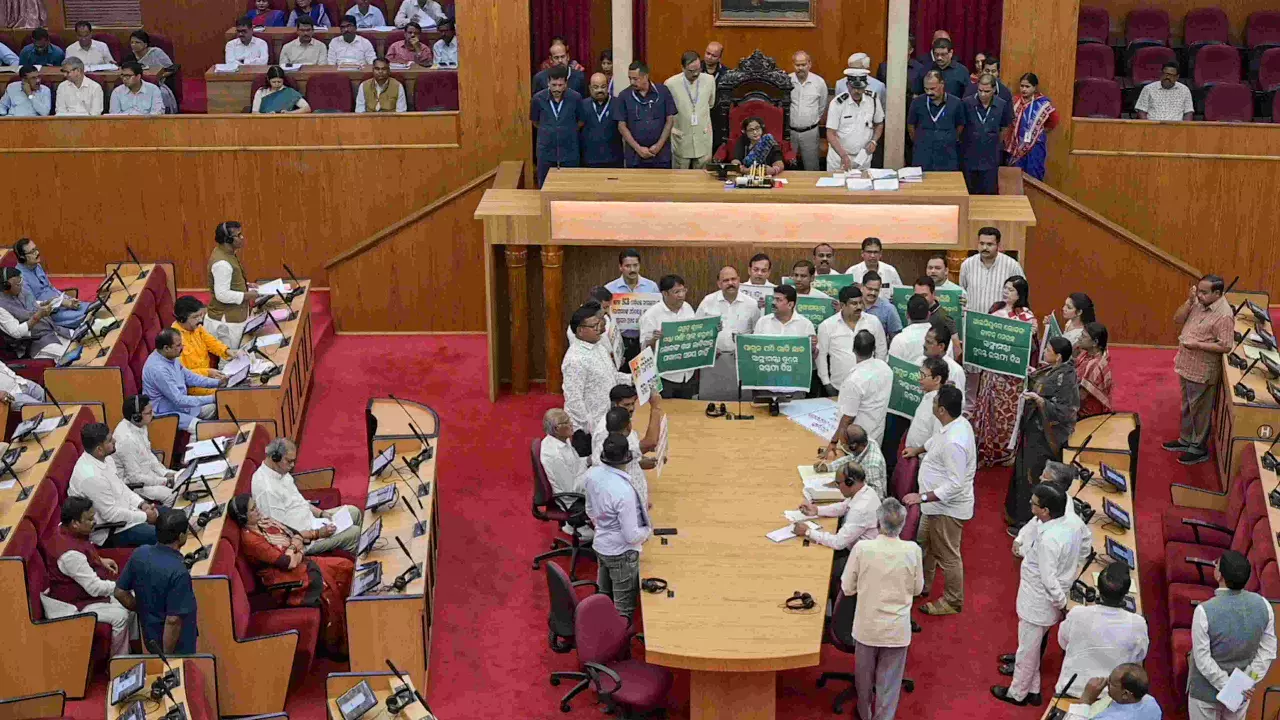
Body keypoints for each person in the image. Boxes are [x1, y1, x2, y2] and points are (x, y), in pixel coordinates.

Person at [993, 484, 1088, 707]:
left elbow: (1048, 579)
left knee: (1026, 651)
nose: (1030, 504)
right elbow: (1085, 548)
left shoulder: (1049, 540)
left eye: (1034, 503)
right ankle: (1034, 690)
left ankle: (1017, 694)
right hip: (1047, 602)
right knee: (1033, 648)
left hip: (1037, 603)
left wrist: (1062, 604)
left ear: (1045, 511)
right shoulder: (1072, 523)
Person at [226, 494, 354, 654]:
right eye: (253, 509)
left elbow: (296, 535)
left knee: (346, 566)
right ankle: (338, 642)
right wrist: (297, 547)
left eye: (255, 505)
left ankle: (353, 619)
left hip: (301, 562)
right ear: (244, 517)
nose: (257, 510)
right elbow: (288, 562)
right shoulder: (251, 541)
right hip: (285, 578)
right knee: (330, 590)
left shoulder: (264, 521)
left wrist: (319, 533)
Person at [841, 498, 923, 720]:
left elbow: (847, 588)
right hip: (897, 631)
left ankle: (864, 713)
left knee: (863, 680)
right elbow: (917, 589)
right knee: (889, 684)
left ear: (878, 522)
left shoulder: (862, 548)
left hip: (867, 629)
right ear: (903, 524)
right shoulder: (913, 550)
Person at [902, 385, 974, 616]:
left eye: (934, 403)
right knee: (925, 543)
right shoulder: (953, 425)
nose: (931, 405)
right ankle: (923, 585)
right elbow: (935, 441)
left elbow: (955, 484)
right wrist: (917, 450)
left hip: (946, 508)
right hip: (934, 505)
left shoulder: (955, 442)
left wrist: (921, 497)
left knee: (948, 556)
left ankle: (953, 601)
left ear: (941, 410)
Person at [1189, 550, 1277, 719]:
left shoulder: (1203, 611)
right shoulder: (1264, 605)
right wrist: (1245, 681)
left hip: (1205, 693)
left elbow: (1202, 659)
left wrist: (1227, 685)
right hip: (1242, 691)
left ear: (1219, 575)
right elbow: (1267, 652)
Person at [41, 496, 135, 656]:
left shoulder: (64, 529)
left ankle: (133, 648)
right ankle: (119, 661)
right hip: (74, 604)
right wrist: (123, 585)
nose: (95, 521)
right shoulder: (70, 555)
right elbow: (94, 588)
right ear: (75, 523)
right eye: (90, 519)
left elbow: (83, 553)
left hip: (83, 592)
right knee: (121, 615)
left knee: (130, 600)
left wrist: (100, 560)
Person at [1007, 336, 1079, 530]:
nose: (1044, 352)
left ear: (1058, 356)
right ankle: (1015, 513)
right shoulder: (1054, 369)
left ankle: (1027, 522)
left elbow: (1065, 411)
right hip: (1033, 430)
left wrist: (1039, 401)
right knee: (1022, 473)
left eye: (1048, 350)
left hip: (1045, 437)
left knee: (1032, 476)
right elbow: (1040, 381)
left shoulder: (1066, 378)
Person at [1165, 274, 1234, 466]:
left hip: (1202, 369)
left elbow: (1226, 346)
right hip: (1186, 364)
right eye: (1199, 290)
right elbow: (1177, 319)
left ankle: (1198, 448)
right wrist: (1189, 301)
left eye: (1204, 292)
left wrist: (1197, 345)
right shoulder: (1197, 303)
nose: (1200, 295)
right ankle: (1185, 440)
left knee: (1200, 411)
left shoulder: (1224, 315)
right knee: (1187, 405)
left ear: (1217, 293)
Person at [971, 275, 1040, 466]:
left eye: (1010, 290)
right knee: (987, 411)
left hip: (1011, 379)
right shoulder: (995, 309)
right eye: (1005, 288)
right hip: (991, 373)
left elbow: (1031, 347)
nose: (1005, 293)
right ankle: (984, 451)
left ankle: (1004, 453)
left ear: (1020, 294)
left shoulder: (1027, 317)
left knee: (1004, 417)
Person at [252, 438, 364, 554]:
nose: (292, 465)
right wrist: (317, 533)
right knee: (355, 533)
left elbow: (299, 501)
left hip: (313, 522)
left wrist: (321, 513)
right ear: (275, 458)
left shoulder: (280, 471)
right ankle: (358, 562)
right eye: (289, 461)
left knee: (354, 512)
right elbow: (283, 533)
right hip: (304, 541)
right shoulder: (267, 490)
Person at [1056, 562, 1150, 698]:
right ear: (1125, 593)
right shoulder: (1138, 623)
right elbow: (1138, 657)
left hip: (1071, 689)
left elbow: (1063, 643)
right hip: (1109, 696)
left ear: (1098, 587)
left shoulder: (1077, 614)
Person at [585, 433, 652, 620]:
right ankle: (617, 645)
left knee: (603, 598)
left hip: (600, 545)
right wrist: (647, 531)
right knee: (624, 611)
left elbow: (589, 510)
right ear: (627, 458)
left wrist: (605, 527)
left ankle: (600, 635)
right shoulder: (624, 491)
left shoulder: (591, 475)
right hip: (621, 553)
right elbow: (631, 536)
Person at [113, 508, 198, 653]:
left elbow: (120, 593)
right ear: (182, 536)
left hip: (150, 636)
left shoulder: (140, 553)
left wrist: (143, 609)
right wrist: (168, 657)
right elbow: (173, 620)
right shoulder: (179, 572)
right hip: (177, 643)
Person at [795, 462, 880, 599]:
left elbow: (838, 542)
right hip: (855, 549)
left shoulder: (861, 509)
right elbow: (844, 507)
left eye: (837, 483)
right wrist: (816, 510)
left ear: (849, 482)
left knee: (819, 571)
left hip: (862, 560)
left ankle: (832, 607)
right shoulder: (864, 491)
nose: (836, 487)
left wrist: (808, 531)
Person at [69, 422, 159, 548]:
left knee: (168, 517)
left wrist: (142, 504)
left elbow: (122, 488)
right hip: (112, 530)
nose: (115, 440)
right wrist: (144, 516)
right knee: (162, 534)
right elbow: (111, 515)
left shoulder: (106, 458)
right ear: (99, 449)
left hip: (128, 512)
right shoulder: (91, 477)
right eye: (110, 440)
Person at [563, 304, 633, 443]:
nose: (599, 329)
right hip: (587, 430)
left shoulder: (599, 347)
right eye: (594, 326)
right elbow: (574, 400)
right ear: (580, 330)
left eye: (599, 324)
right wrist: (590, 428)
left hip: (605, 420)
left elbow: (613, 376)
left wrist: (634, 378)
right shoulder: (575, 359)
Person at [696, 265, 760, 400]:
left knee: (742, 402)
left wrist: (744, 346)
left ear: (739, 281)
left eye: (733, 279)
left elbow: (757, 333)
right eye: (726, 280)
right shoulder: (708, 302)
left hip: (741, 361)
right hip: (713, 359)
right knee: (711, 402)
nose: (730, 283)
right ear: (719, 284)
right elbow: (697, 330)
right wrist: (709, 347)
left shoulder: (751, 304)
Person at [142, 329, 222, 432]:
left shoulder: (170, 357)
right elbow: (179, 400)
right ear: (166, 348)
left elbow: (190, 378)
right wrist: (212, 398)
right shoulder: (158, 370)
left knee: (217, 407)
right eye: (179, 345)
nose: (182, 348)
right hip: (167, 414)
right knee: (200, 429)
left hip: (181, 406)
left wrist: (218, 383)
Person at [111, 395, 179, 505]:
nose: (153, 415)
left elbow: (149, 455)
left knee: (183, 479)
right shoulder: (126, 440)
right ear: (136, 416)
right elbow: (134, 478)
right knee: (173, 496)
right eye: (149, 413)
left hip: (148, 476)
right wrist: (164, 482)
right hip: (135, 486)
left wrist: (165, 473)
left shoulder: (140, 426)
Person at [830, 330, 893, 447]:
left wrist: (834, 441)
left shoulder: (854, 381)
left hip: (855, 441)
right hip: (876, 434)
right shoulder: (886, 369)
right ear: (874, 348)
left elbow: (848, 417)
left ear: (853, 349)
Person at [819, 285, 887, 393]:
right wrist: (826, 383)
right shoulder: (827, 325)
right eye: (854, 303)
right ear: (842, 305)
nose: (859, 307)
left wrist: (878, 376)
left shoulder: (873, 322)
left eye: (860, 302)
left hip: (869, 385)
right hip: (838, 387)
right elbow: (821, 355)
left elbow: (881, 351)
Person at [171, 296, 244, 395]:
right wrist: (208, 373)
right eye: (195, 317)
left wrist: (227, 351)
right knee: (234, 393)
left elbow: (211, 342)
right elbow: (184, 375)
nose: (200, 319)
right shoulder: (175, 342)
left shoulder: (197, 328)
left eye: (201, 315)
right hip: (195, 387)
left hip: (209, 377)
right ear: (182, 319)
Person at [640, 274, 697, 399]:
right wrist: (654, 339)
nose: (681, 295)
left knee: (687, 412)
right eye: (677, 292)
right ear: (665, 294)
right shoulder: (651, 315)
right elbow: (644, 350)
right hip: (665, 376)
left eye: (683, 290)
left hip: (687, 374)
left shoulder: (687, 308)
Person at [206, 220, 259, 348]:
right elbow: (222, 295)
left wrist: (245, 285)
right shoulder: (222, 263)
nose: (242, 238)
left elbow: (228, 280)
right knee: (229, 361)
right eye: (238, 235)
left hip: (235, 316)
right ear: (228, 240)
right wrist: (248, 295)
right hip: (226, 322)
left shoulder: (227, 253)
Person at [614, 61, 677, 169]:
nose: (632, 82)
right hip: (635, 156)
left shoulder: (662, 91)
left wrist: (658, 146)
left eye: (635, 79)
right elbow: (621, 126)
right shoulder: (624, 96)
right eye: (630, 78)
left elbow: (670, 120)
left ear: (645, 76)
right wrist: (638, 149)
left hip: (661, 155)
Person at [0, 267, 72, 360]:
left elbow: (31, 304)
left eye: (21, 280)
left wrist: (47, 302)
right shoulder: (2, 307)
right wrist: (38, 316)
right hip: (37, 341)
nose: (21, 285)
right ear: (6, 287)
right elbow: (16, 332)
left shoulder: (21, 291)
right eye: (18, 284)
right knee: (70, 356)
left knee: (82, 340)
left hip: (52, 329)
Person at [13, 238, 86, 328]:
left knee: (91, 307)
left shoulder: (36, 265)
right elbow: (32, 307)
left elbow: (51, 288)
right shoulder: (20, 278)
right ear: (22, 257)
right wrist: (61, 303)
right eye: (32, 251)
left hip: (62, 304)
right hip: (49, 315)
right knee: (87, 315)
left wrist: (67, 299)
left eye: (36, 249)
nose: (37, 253)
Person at [540, 408, 590, 536]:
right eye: (567, 422)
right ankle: (576, 525)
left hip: (576, 485)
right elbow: (572, 489)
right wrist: (593, 476)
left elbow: (576, 465)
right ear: (557, 429)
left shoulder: (562, 439)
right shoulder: (555, 455)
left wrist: (589, 461)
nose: (571, 423)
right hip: (572, 502)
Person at [604, 249, 660, 363]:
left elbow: (657, 312)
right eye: (628, 266)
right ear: (620, 267)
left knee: (643, 379)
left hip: (644, 341)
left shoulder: (651, 287)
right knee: (621, 378)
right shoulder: (609, 289)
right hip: (620, 342)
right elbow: (605, 316)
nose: (632, 269)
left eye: (635, 265)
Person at [960, 73, 1012, 195]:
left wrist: (995, 141)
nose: (982, 94)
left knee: (989, 191)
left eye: (987, 91)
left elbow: (1005, 128)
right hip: (969, 154)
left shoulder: (1002, 105)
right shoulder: (966, 103)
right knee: (969, 190)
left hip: (990, 155)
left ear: (994, 89)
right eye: (980, 90)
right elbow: (960, 126)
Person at [531, 65, 582, 186]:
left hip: (569, 152)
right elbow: (535, 121)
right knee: (545, 186)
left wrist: (566, 131)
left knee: (571, 186)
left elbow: (580, 121)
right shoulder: (538, 99)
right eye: (554, 85)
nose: (557, 89)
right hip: (546, 152)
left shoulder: (576, 98)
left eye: (560, 85)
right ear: (548, 82)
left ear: (566, 84)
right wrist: (550, 129)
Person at [959, 227, 1024, 319]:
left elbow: (1022, 294)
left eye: (989, 244)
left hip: (1001, 323)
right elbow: (962, 292)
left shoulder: (1012, 265)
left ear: (998, 245)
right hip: (973, 321)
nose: (985, 247)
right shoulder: (967, 264)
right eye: (981, 243)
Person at [664, 51, 714, 169]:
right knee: (680, 179)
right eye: (691, 71)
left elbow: (711, 103)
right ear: (683, 68)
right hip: (681, 138)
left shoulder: (709, 80)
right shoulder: (670, 84)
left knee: (703, 179)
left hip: (703, 137)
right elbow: (668, 112)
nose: (696, 73)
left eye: (698, 69)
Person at [826, 70, 884, 172]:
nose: (857, 91)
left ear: (866, 86)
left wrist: (874, 141)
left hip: (863, 158)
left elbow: (879, 123)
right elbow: (830, 133)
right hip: (840, 158)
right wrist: (843, 155)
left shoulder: (873, 100)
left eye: (860, 88)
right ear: (848, 85)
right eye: (854, 87)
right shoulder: (837, 103)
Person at [908, 70, 964, 171]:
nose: (929, 92)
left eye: (933, 88)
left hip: (947, 156)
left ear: (942, 84)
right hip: (923, 155)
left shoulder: (956, 103)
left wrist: (948, 138)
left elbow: (960, 126)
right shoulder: (917, 103)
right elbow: (911, 126)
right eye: (926, 89)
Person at [1005, 73, 1058, 180]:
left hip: (1035, 146)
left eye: (1027, 86)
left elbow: (1053, 121)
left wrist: (1039, 130)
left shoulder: (1043, 104)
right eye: (1022, 86)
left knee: (1034, 176)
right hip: (1016, 146)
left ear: (1034, 87)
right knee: (1016, 177)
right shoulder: (1014, 101)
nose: (1024, 89)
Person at [817, 423, 888, 499]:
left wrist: (843, 485)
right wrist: (828, 467)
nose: (841, 446)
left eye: (843, 445)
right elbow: (851, 457)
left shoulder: (872, 466)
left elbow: (877, 496)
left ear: (853, 446)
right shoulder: (864, 443)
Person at [1064, 664, 1162, 719]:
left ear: (1125, 694)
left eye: (1111, 682)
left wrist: (1086, 699)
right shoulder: (1151, 702)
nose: (1106, 682)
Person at [788, 51, 827, 171]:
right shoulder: (786, 80)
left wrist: (811, 120)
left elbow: (822, 106)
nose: (800, 68)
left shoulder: (819, 82)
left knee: (812, 167)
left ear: (809, 64)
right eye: (797, 65)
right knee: (789, 166)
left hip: (810, 132)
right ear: (793, 65)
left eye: (803, 64)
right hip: (790, 133)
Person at [904, 357, 948, 451]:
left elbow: (937, 439)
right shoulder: (927, 396)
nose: (919, 378)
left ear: (937, 379)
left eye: (923, 375)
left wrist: (917, 451)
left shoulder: (939, 405)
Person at [127, 31, 177, 113]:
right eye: (132, 42)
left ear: (145, 44)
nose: (133, 45)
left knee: (163, 94)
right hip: (136, 85)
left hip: (157, 84)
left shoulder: (156, 52)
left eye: (137, 42)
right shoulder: (130, 56)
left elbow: (171, 68)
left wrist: (159, 76)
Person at [580, 72, 622, 168]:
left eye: (603, 86)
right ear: (590, 88)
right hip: (589, 161)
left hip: (614, 160)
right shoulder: (582, 105)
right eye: (595, 87)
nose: (600, 90)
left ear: (608, 87)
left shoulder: (618, 104)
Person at [1075, 322, 1113, 419]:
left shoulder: (1094, 365)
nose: (1079, 338)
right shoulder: (1086, 354)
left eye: (1083, 336)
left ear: (1095, 342)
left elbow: (1079, 398)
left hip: (1088, 415)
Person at [845, 238, 902, 302]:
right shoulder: (852, 272)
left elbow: (900, 295)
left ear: (880, 253)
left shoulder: (891, 271)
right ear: (862, 253)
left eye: (875, 252)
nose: (872, 255)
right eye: (869, 252)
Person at [860, 271, 904, 344]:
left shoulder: (889, 309)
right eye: (870, 289)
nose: (873, 293)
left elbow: (896, 339)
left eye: (876, 290)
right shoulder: (853, 305)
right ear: (862, 287)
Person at [889, 295, 931, 364]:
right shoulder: (942, 337)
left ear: (906, 315)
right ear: (929, 314)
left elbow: (893, 366)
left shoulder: (899, 339)